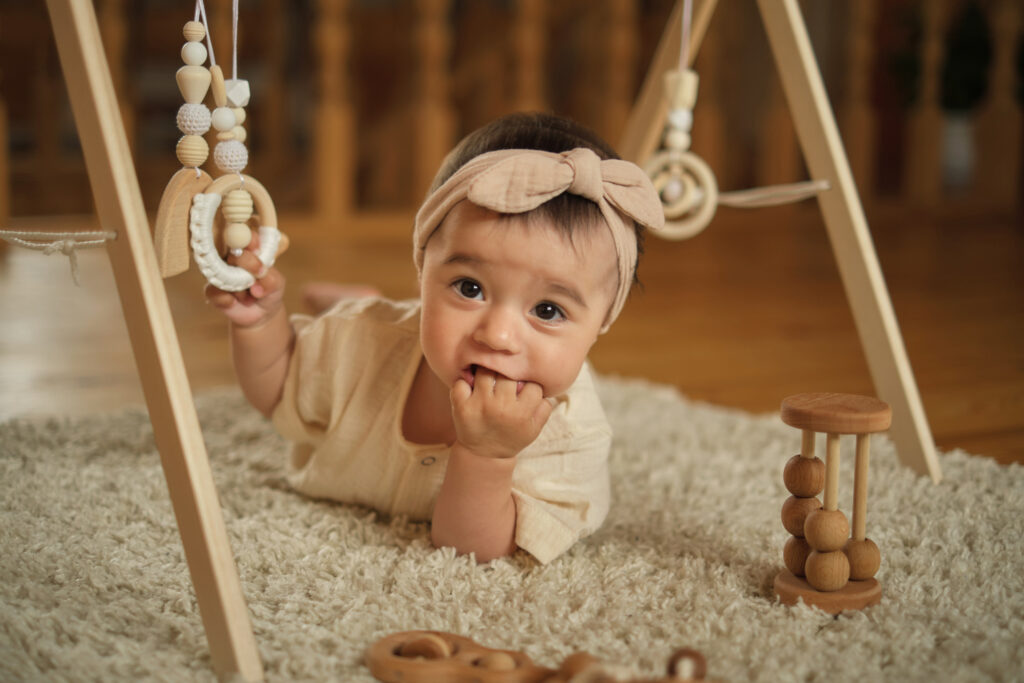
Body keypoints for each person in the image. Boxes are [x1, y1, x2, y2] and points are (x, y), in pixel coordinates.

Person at [206, 112, 664, 564]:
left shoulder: (572, 438)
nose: (499, 336)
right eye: (470, 288)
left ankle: (382, 293)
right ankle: (363, 299)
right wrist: (260, 323)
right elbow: (279, 392)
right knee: (366, 322)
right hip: (386, 327)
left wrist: (487, 456)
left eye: (548, 311)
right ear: (423, 269)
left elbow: (473, 552)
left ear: (601, 324)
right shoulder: (359, 345)